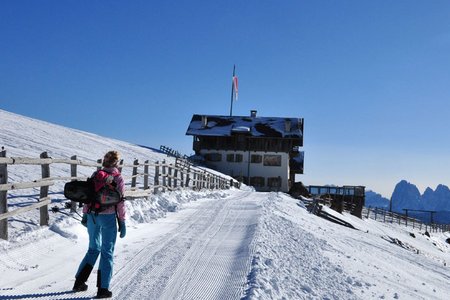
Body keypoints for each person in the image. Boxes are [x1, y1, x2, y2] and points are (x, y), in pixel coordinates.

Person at [72, 150, 126, 299]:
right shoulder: (118, 178)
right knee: (107, 252)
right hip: (108, 217)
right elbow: (120, 202)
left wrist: (84, 214)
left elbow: (87, 197)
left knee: (93, 249)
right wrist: (122, 222)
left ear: (104, 161)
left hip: (92, 216)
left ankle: (79, 282)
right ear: (116, 163)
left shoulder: (96, 175)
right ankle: (103, 289)